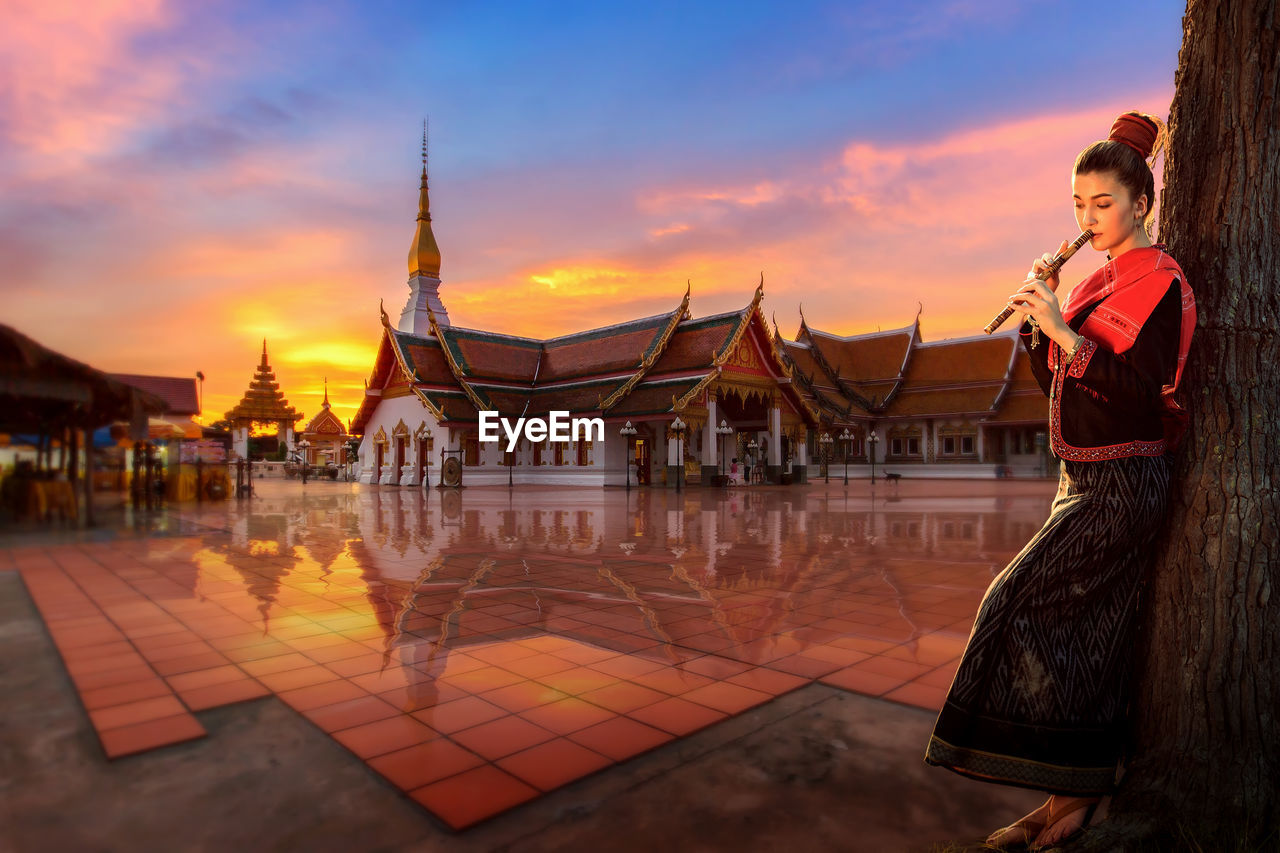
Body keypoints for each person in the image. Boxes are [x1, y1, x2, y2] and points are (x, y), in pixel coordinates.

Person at [924, 111, 1198, 849]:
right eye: (1079, 205)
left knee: (1014, 600)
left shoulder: (1161, 283)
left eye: (1103, 204)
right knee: (1093, 637)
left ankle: (1066, 786)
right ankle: (1069, 799)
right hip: (1080, 480)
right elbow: (1058, 374)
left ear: (1141, 202)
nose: (1089, 219)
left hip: (1124, 483)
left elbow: (1141, 389)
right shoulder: (1099, 281)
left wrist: (1064, 328)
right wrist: (1042, 312)